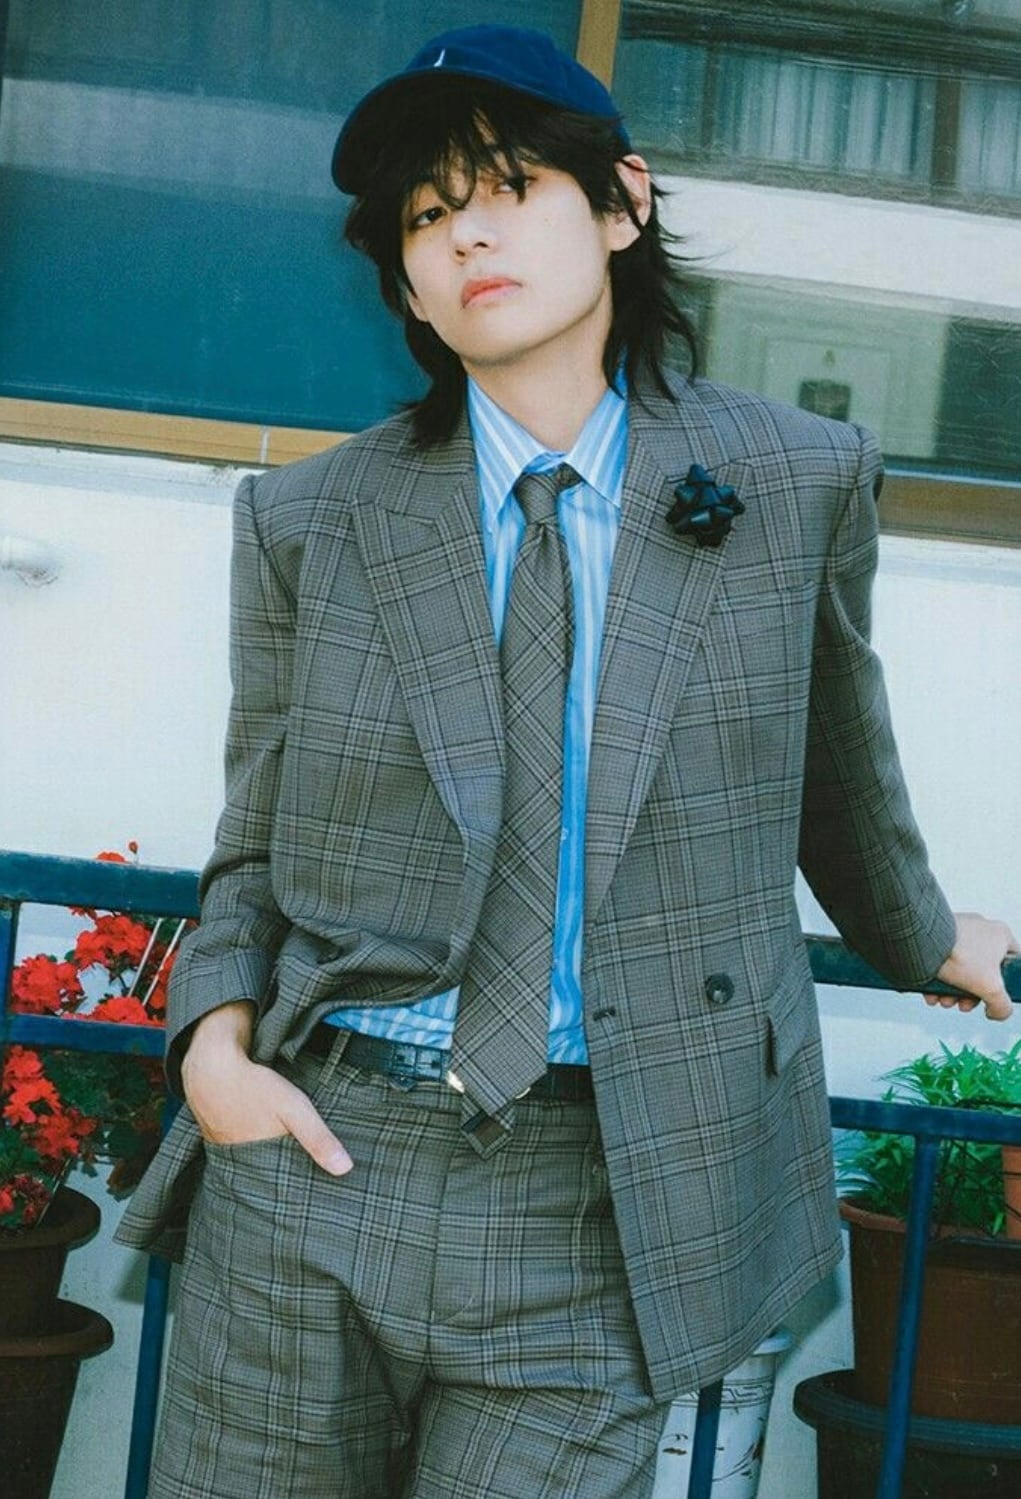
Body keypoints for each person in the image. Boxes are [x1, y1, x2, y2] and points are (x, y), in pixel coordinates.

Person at [117, 23, 1017, 1499]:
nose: (466, 232)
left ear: (621, 203)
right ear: (405, 282)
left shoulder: (793, 481)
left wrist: (921, 935)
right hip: (316, 1155)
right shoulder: (312, 521)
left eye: (508, 186)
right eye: (425, 215)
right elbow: (255, 842)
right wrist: (214, 1049)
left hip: (609, 1191)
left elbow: (837, 773)